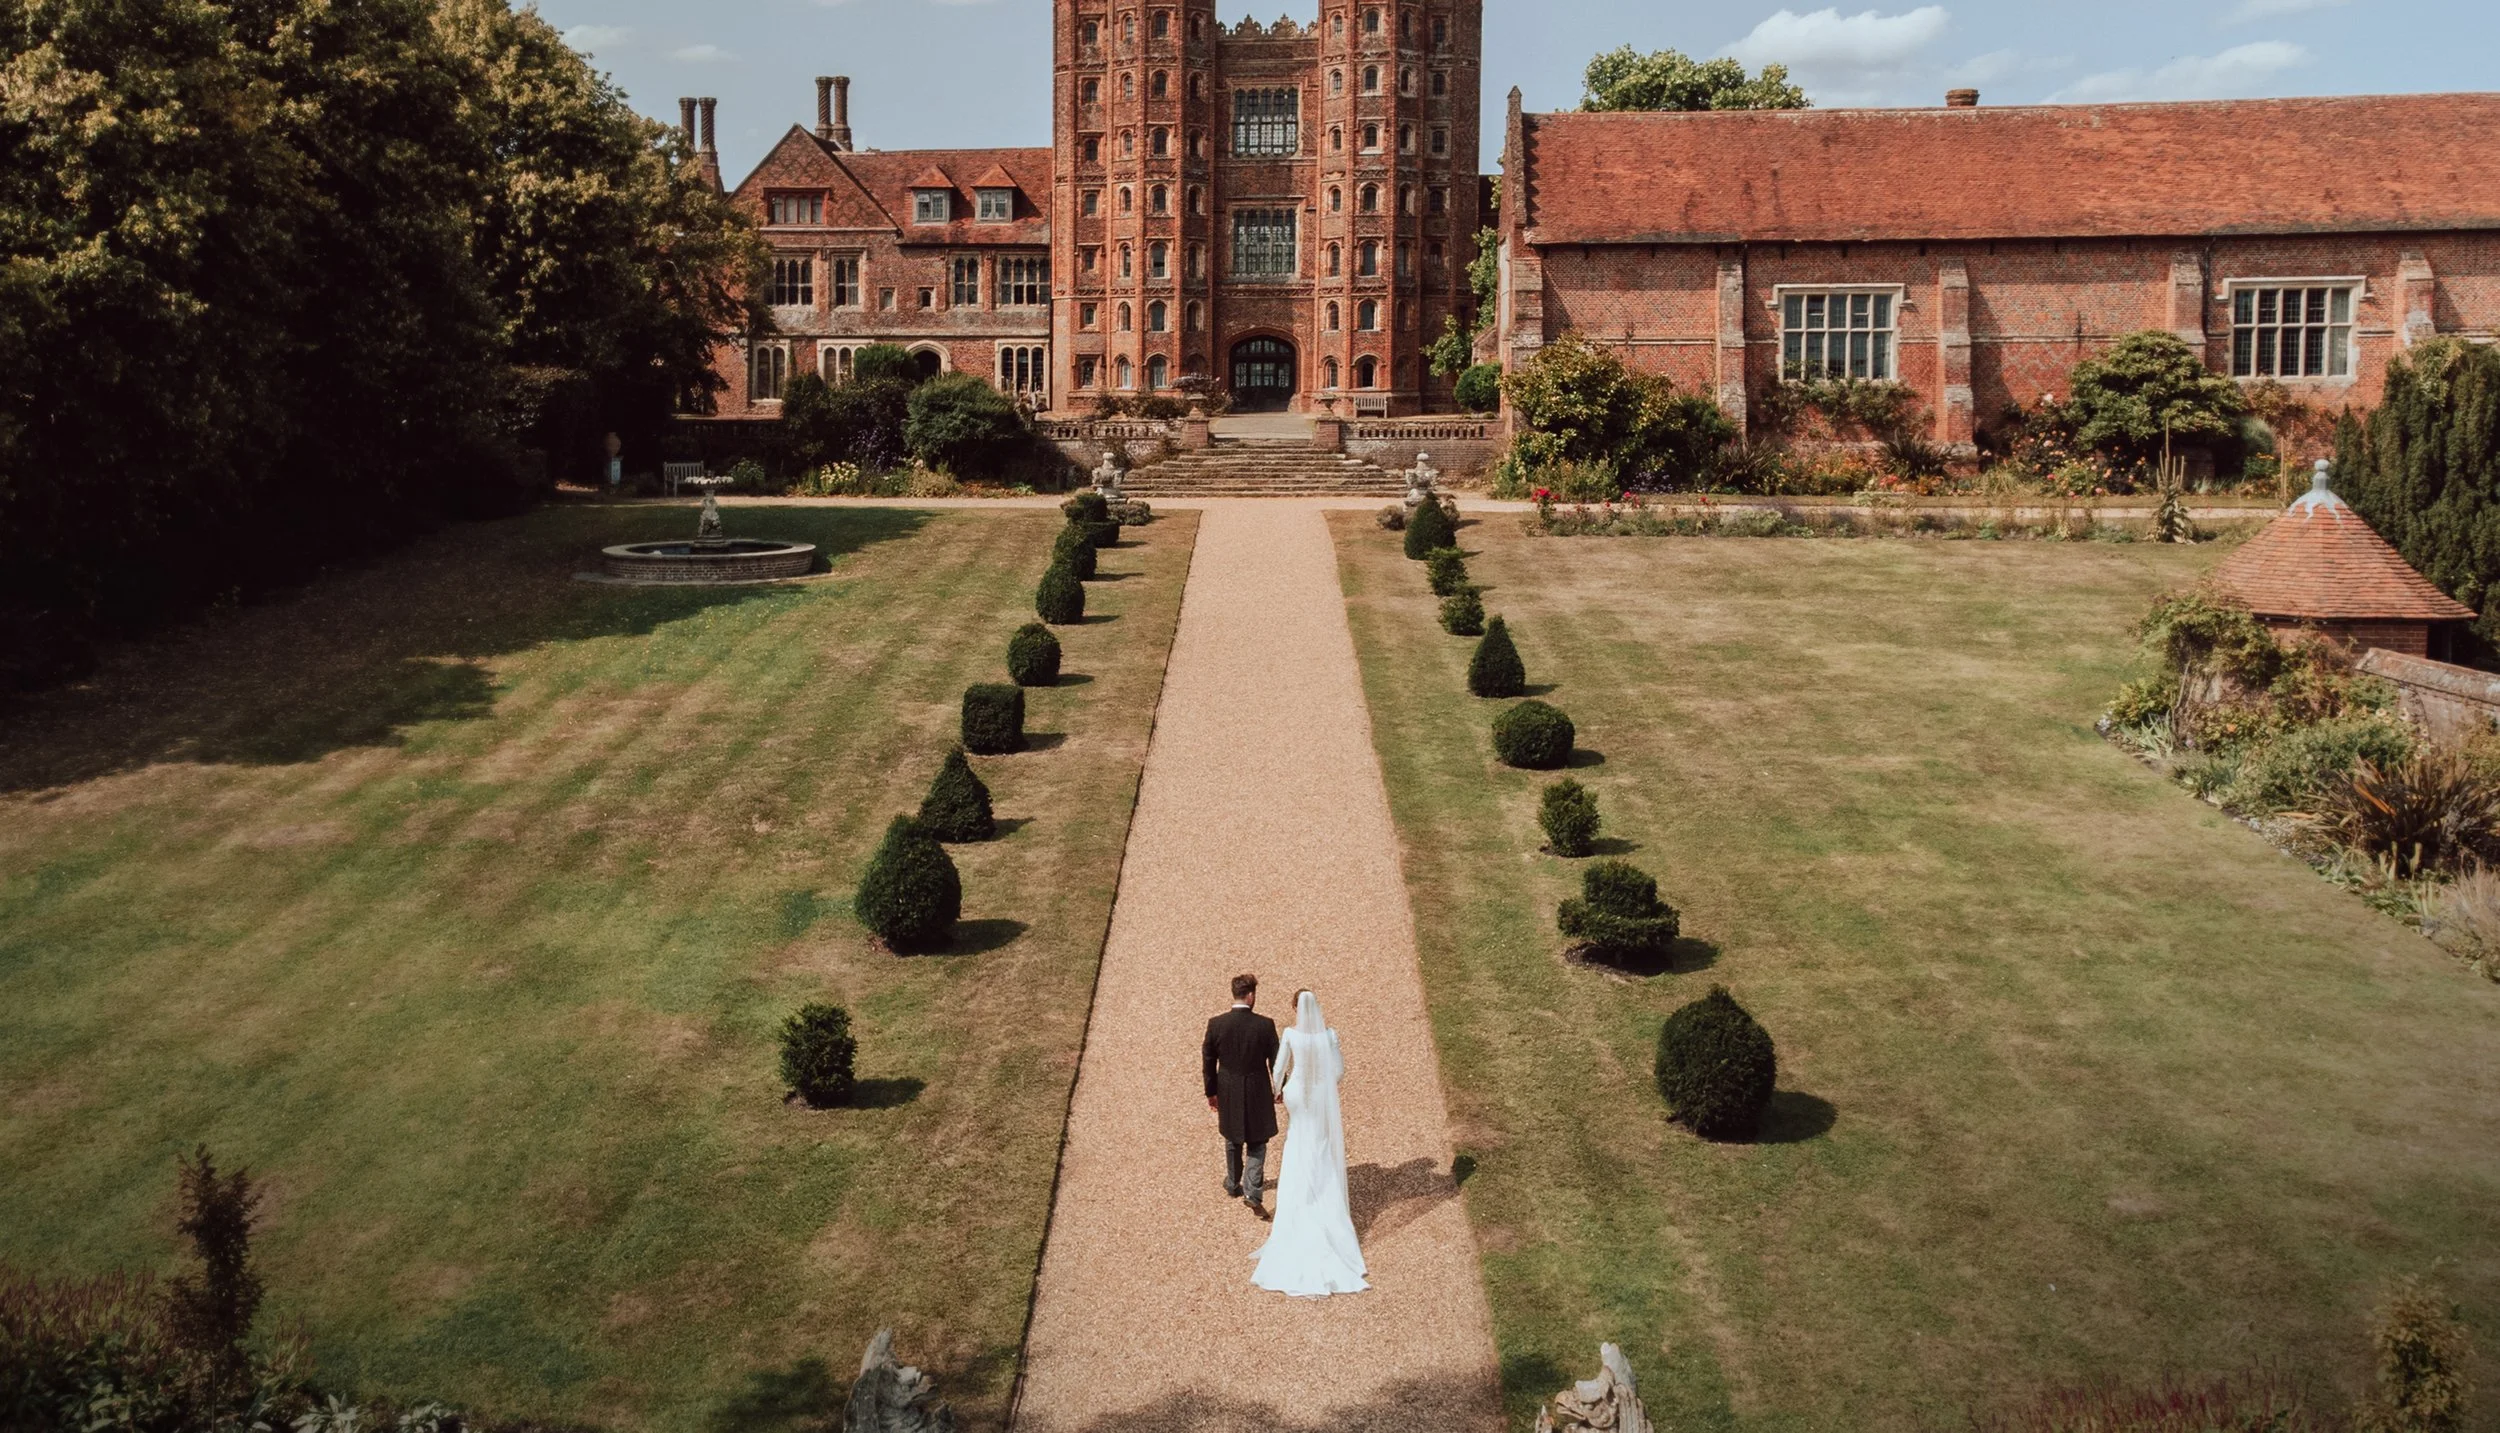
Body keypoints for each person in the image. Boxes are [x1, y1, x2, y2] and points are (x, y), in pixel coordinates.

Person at [1251, 990, 1369, 1297]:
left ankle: (1299, 1204)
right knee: (1319, 1146)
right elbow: (1339, 1071)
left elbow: (1278, 1069)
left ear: (1295, 1009)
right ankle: (1323, 1205)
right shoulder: (1329, 1035)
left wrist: (1278, 1089)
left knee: (1297, 1142)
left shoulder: (1291, 1034)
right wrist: (1325, 1087)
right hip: (1318, 1095)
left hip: (1297, 1093)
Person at [1203, 973, 1281, 1215]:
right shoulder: (1265, 1024)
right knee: (1258, 1142)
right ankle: (1252, 1191)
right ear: (1251, 996)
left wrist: (1211, 1091)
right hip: (1257, 1087)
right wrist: (1279, 1088)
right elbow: (1276, 1061)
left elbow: (1208, 1061)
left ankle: (1233, 1183)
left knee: (1232, 1136)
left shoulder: (1216, 1024)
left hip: (1228, 1088)